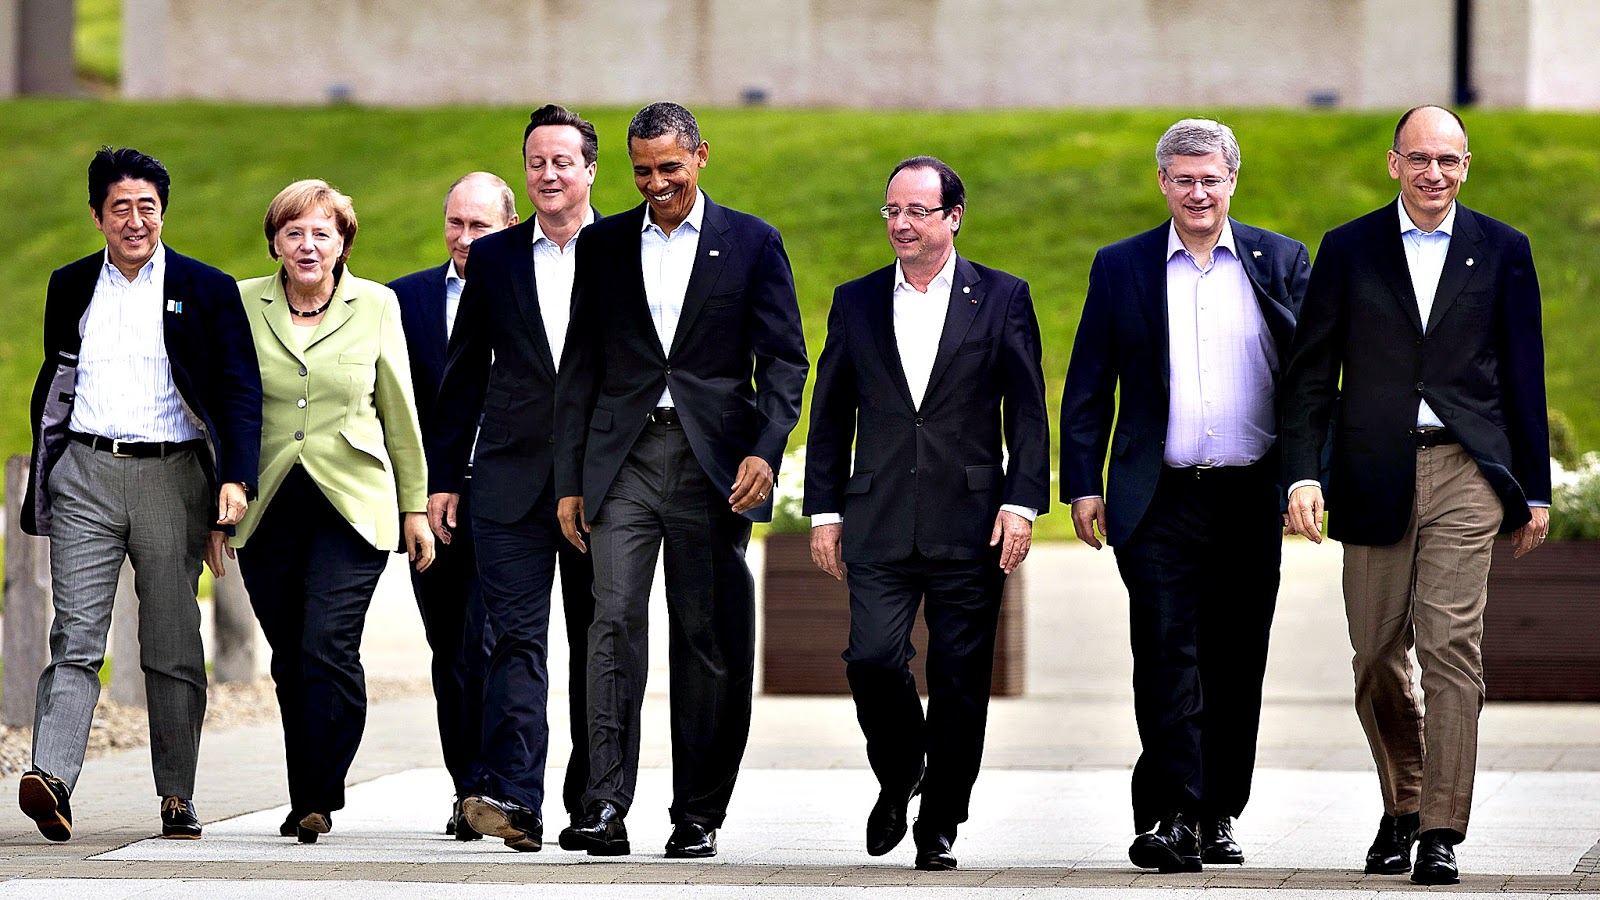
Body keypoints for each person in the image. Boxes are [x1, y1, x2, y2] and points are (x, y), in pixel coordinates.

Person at [1281, 105, 1550, 885]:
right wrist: (1303, 474)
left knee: (1450, 648)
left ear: (1467, 166)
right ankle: (1402, 800)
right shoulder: (1349, 248)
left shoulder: (1503, 249)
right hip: (1373, 470)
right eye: (1421, 159)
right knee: (1374, 655)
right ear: (1393, 163)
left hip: (1466, 470)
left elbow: (1524, 376)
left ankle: (1439, 828)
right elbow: (1310, 375)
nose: (1436, 173)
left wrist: (1533, 490)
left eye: (1450, 161)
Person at [555, 101, 807, 859]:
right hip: (622, 461)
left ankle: (698, 813)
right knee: (611, 623)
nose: (656, 183)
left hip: (713, 465)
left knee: (706, 636)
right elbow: (580, 366)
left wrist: (765, 450)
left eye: (669, 167)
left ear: (701, 155)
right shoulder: (602, 245)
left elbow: (785, 361)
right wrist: (570, 478)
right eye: (642, 171)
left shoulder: (753, 242)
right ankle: (603, 803)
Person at [1059, 119, 1309, 873]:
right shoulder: (1122, 266)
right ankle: (1172, 813)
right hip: (1158, 496)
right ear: (1162, 182)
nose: (1198, 193)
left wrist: (1305, 475)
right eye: (1184, 179)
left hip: (1249, 495)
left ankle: (1218, 810)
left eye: (1211, 179)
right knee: (1166, 653)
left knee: (1235, 658)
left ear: (1233, 180)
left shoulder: (1280, 261)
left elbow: (1311, 384)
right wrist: (1082, 483)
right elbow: (1088, 384)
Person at [804, 157, 1050, 871]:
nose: (902, 224)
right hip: (877, 515)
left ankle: (940, 821)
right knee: (872, 660)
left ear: (954, 217)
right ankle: (901, 769)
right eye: (893, 211)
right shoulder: (855, 301)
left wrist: (1021, 504)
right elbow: (830, 413)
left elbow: (1028, 412)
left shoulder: (1002, 296)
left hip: (972, 521)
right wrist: (824, 511)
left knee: (960, 680)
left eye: (917, 211)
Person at [18, 146, 262, 843]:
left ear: (163, 212)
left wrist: (235, 480)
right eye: (120, 207)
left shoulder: (206, 288)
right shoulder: (69, 285)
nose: (135, 221)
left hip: (171, 476)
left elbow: (239, 390)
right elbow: (59, 377)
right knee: (76, 633)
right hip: (85, 475)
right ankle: (51, 777)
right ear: (97, 216)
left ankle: (177, 794)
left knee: (172, 638)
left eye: (147, 207)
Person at [227, 179, 434, 843]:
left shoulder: (376, 304)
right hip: (266, 504)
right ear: (275, 243)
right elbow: (226, 405)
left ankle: (321, 791)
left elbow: (398, 409)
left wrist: (414, 507)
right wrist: (217, 498)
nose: (308, 245)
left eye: (322, 232)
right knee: (291, 655)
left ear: (343, 243)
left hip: (352, 504)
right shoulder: (242, 302)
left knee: (327, 645)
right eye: (294, 232)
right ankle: (305, 795)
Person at [425, 107, 601, 853]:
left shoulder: (623, 250)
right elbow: (464, 372)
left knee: (598, 646)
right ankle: (516, 799)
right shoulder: (494, 258)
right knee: (515, 641)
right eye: (536, 162)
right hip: (506, 480)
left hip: (598, 484)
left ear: (589, 169)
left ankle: (594, 802)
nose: (548, 174)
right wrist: (444, 476)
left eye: (562, 161)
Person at [390, 171, 518, 841]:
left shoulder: (532, 290)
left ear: (510, 226)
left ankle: (498, 786)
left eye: (480, 226)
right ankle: (467, 787)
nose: (465, 238)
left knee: (495, 642)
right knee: (451, 651)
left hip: (509, 500)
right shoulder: (403, 300)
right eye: (456, 224)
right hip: (431, 505)